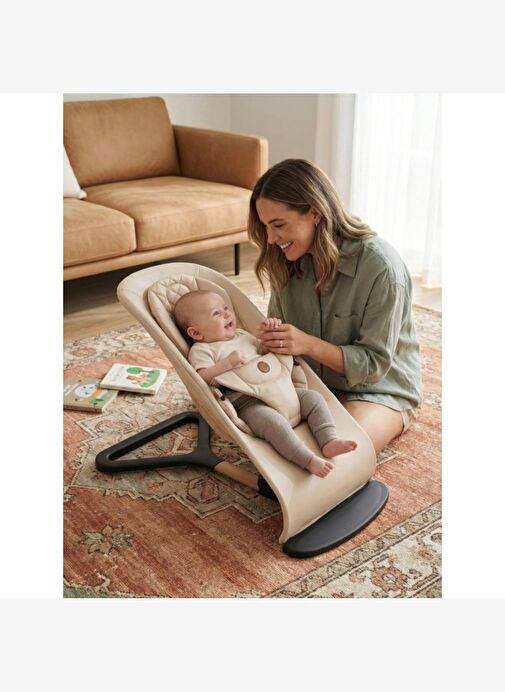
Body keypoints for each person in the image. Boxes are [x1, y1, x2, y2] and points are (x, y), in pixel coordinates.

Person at [248, 158, 422, 455]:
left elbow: (374, 365)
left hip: (377, 390)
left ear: (315, 213)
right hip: (311, 384)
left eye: (278, 225)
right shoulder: (286, 261)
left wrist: (307, 344)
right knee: (269, 443)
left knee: (340, 457)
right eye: (266, 227)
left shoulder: (380, 267)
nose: (272, 239)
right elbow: (281, 342)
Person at [173, 289, 358, 478]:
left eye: (226, 308)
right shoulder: (202, 350)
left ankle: (329, 440)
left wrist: (269, 338)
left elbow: (262, 352)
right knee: (274, 424)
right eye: (216, 313)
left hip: (281, 390)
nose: (227, 314)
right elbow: (201, 378)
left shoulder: (242, 335)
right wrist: (227, 363)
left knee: (314, 398)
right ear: (196, 333)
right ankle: (307, 460)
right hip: (248, 402)